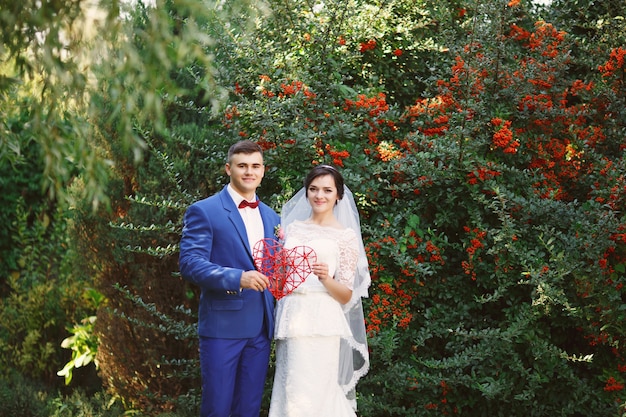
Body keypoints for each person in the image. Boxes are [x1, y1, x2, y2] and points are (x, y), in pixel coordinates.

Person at [179, 140, 280, 417]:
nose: (249, 172)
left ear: (263, 171)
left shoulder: (272, 216)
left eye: (255, 166)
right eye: (242, 166)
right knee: (218, 408)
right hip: (222, 329)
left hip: (260, 328)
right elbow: (190, 264)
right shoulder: (205, 211)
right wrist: (238, 278)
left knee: (248, 409)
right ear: (228, 169)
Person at [268, 165, 371, 417]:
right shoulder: (292, 229)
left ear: (338, 195)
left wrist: (326, 278)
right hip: (292, 316)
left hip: (323, 320)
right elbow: (281, 278)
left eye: (327, 190)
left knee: (317, 390)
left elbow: (347, 295)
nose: (319, 195)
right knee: (291, 386)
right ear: (306, 193)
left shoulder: (345, 237)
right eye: (313, 189)